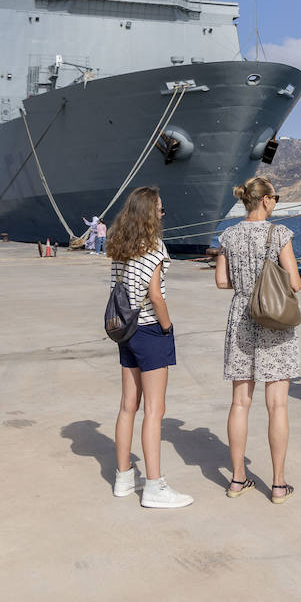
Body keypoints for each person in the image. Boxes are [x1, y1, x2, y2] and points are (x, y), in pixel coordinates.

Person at [215, 176, 301, 503]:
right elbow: (294, 282)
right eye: (274, 197)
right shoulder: (279, 233)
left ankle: (237, 479)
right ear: (265, 200)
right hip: (274, 319)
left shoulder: (229, 235)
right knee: (277, 404)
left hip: (241, 318)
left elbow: (222, 281)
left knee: (240, 402)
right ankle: (278, 485)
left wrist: (245, 286)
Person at [107, 186, 192, 508]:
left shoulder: (120, 244)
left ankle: (123, 478)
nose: (162, 214)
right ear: (147, 213)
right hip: (150, 330)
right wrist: (168, 326)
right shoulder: (154, 246)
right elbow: (155, 295)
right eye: (159, 209)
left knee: (128, 405)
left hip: (126, 331)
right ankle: (154, 486)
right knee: (155, 410)